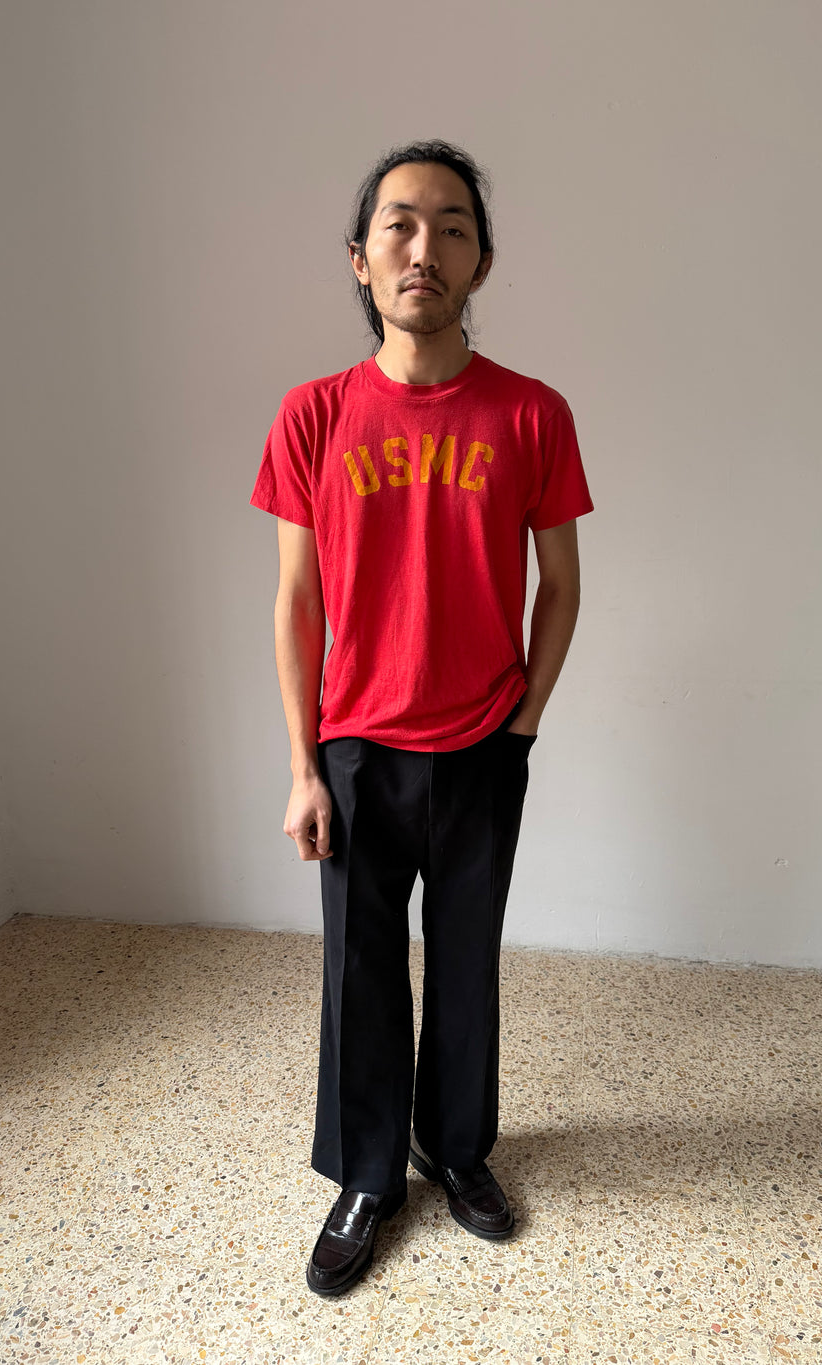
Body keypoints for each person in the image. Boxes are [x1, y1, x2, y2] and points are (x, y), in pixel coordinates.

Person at [250, 140, 593, 1296]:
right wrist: (303, 766)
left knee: (464, 962)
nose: (423, 248)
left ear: (480, 262)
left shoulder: (532, 414)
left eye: (452, 227)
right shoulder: (313, 416)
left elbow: (562, 586)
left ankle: (454, 1151)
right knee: (359, 971)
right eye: (398, 224)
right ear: (359, 259)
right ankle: (365, 1176)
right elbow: (297, 603)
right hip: (355, 748)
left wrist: (523, 724)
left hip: (483, 743)